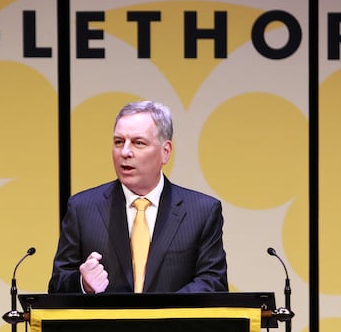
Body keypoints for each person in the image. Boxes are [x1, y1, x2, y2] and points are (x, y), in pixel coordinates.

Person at [48, 100, 228, 294]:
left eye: (138, 143)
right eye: (118, 142)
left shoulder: (201, 211)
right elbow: (57, 285)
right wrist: (83, 284)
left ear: (165, 152)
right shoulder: (83, 208)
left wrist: (160, 314)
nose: (125, 152)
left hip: (174, 325)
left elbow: (213, 282)